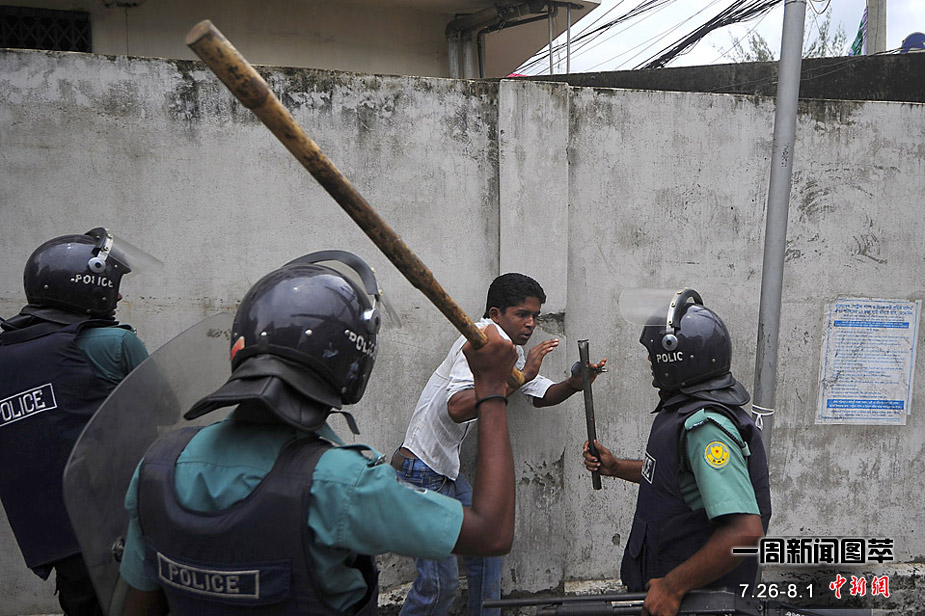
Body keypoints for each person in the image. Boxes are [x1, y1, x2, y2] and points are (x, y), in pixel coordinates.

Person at [117, 250, 521, 616]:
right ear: (352, 366)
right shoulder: (341, 483)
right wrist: (490, 389)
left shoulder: (159, 466)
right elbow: (491, 533)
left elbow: (138, 602)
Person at [395, 272, 606, 616]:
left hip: (445, 472)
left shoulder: (508, 350)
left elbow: (539, 395)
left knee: (488, 552)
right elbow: (458, 407)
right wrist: (524, 377)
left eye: (535, 316)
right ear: (495, 314)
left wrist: (574, 383)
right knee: (439, 585)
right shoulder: (478, 341)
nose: (531, 323)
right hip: (422, 472)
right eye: (522, 314)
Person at [582, 289, 771, 616]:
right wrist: (617, 467)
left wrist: (672, 587)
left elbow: (744, 532)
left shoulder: (706, 428)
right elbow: (680, 480)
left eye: (654, 354)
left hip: (695, 604)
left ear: (677, 357)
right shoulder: (684, 410)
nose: (650, 361)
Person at [0, 228, 152, 616]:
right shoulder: (115, 342)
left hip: (55, 530)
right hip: (120, 518)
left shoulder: (9, 351)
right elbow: (165, 407)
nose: (119, 297)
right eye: (113, 286)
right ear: (87, 285)